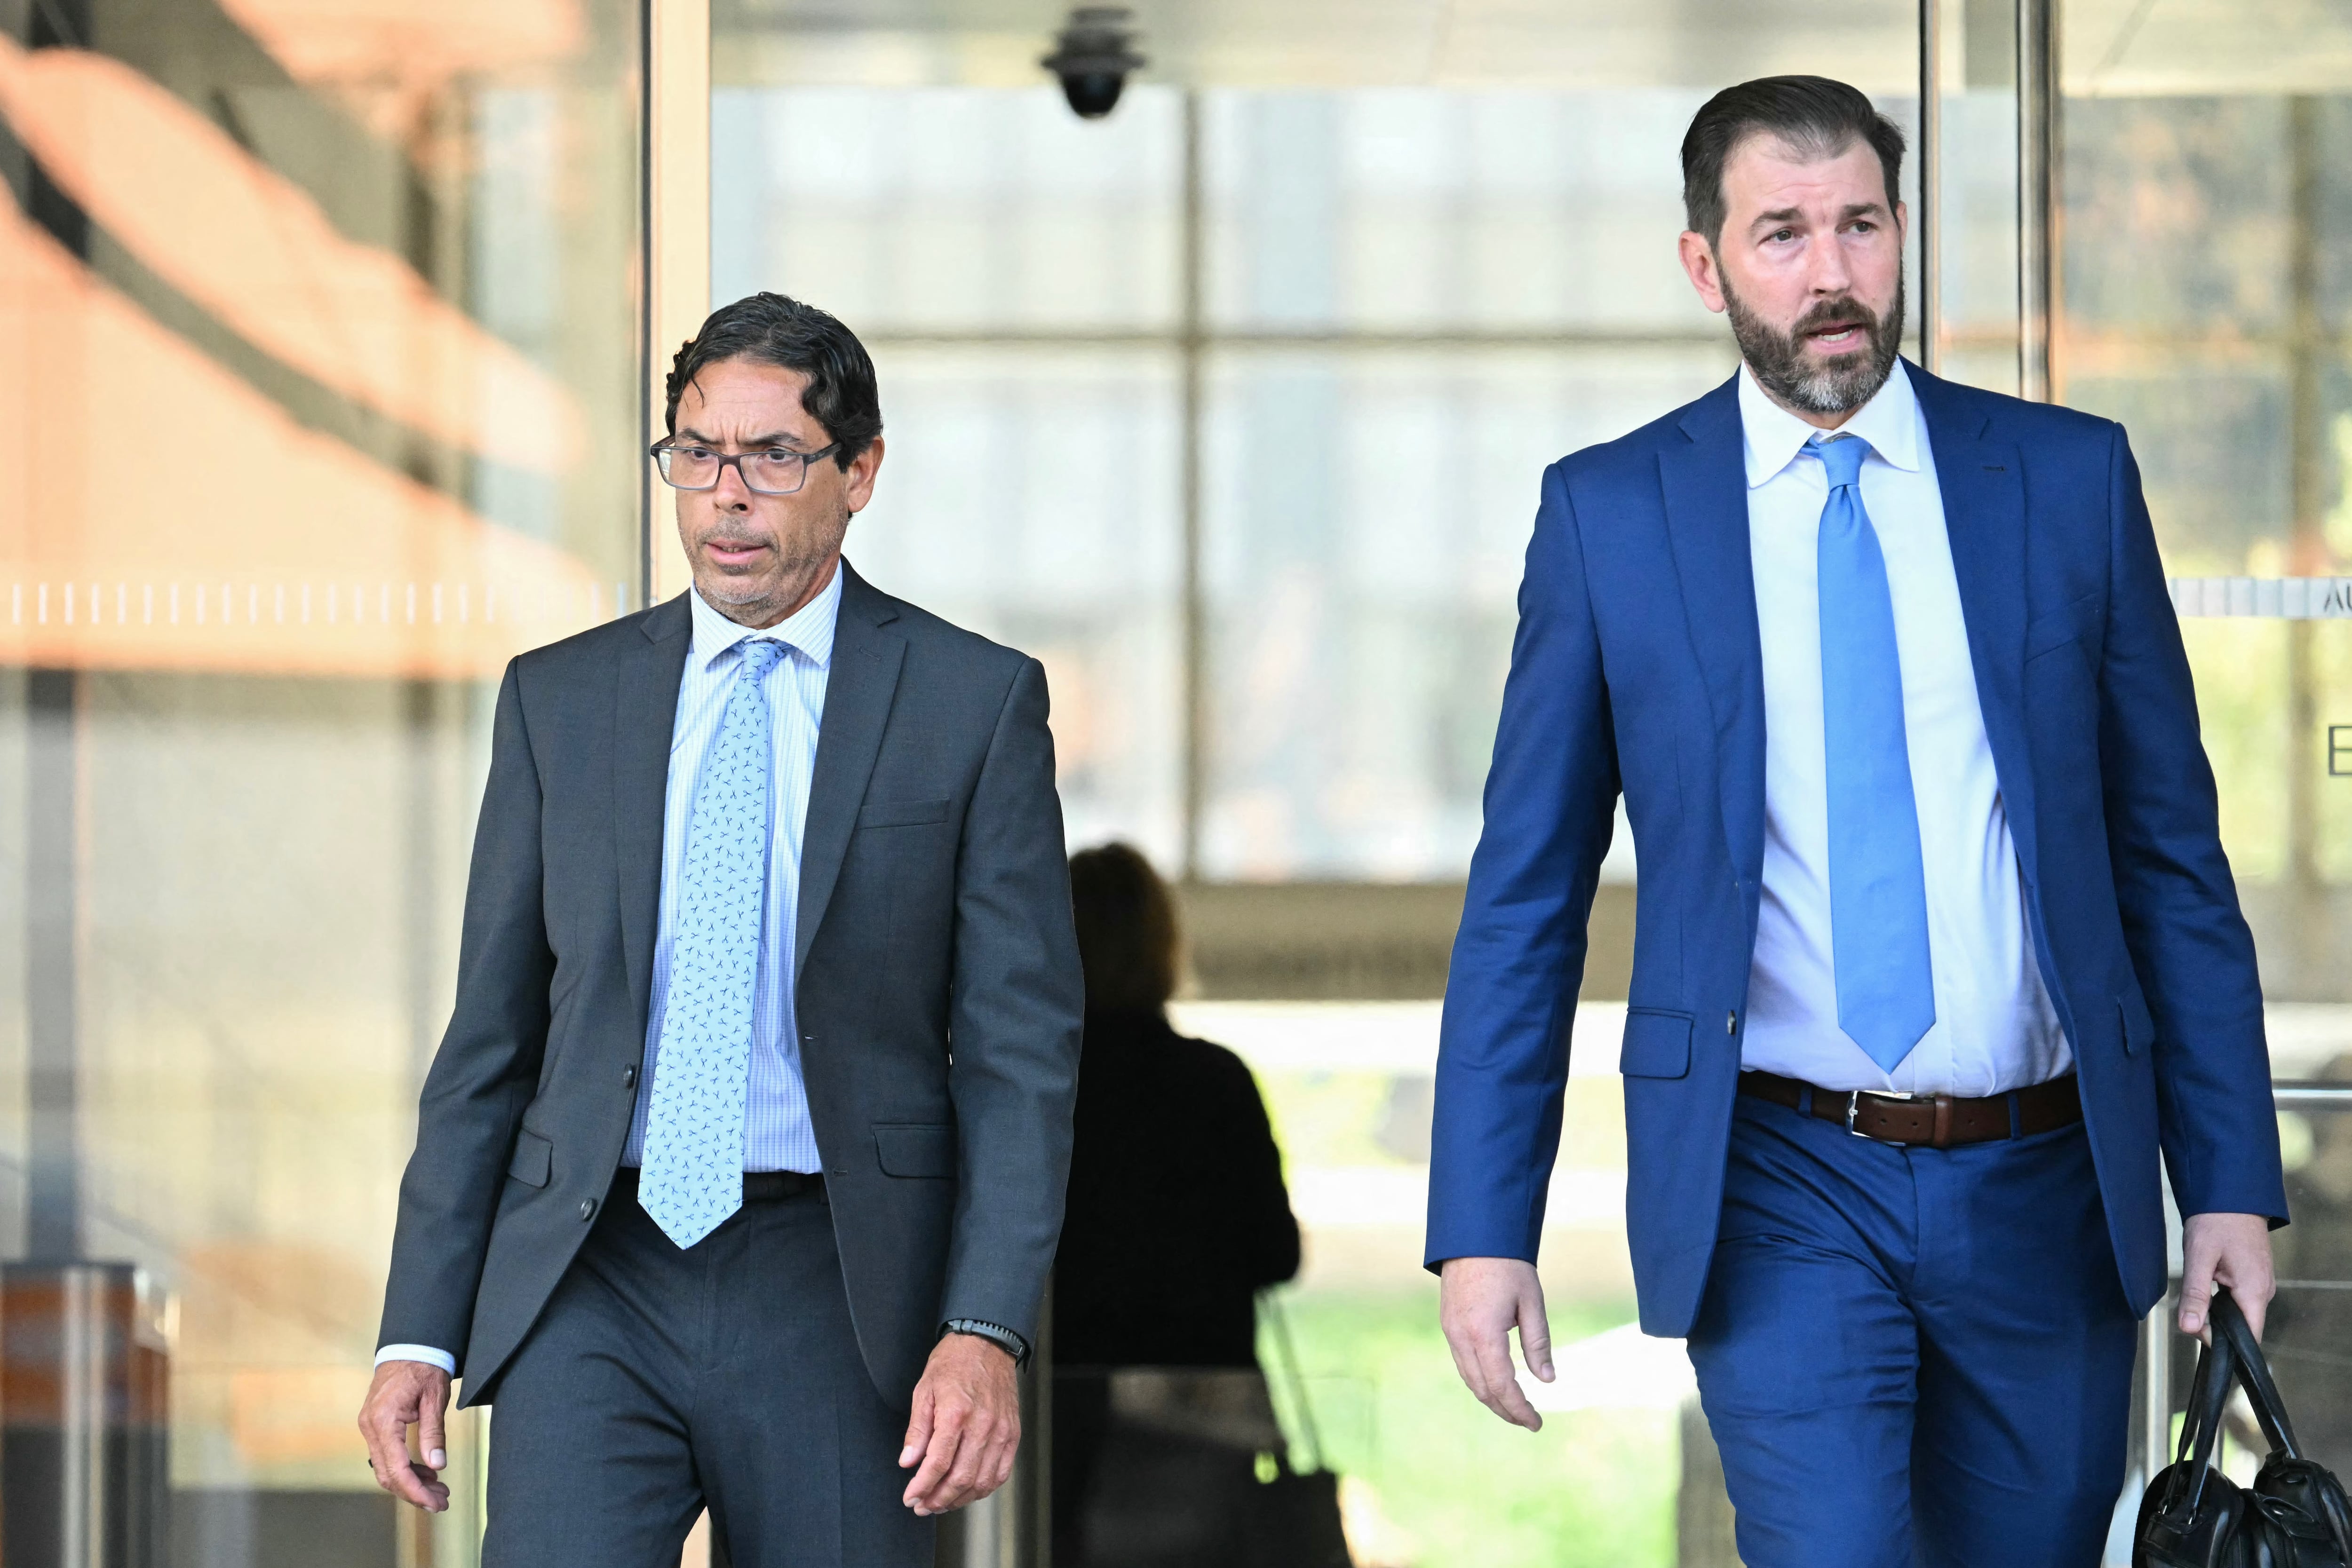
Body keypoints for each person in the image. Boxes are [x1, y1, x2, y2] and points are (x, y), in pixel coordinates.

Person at [1426, 76, 2287, 1568]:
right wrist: (1480, 1218)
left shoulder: (2069, 482)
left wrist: (2227, 1175)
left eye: (1860, 226)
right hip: (1778, 1179)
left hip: (2045, 1175)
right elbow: (1527, 896)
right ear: (1705, 266)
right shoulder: (1612, 516)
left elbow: (2169, 858)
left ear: (1900, 236)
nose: (1831, 275)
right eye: (1782, 235)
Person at [354, 293, 1084, 1568]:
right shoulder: (561, 702)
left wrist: (985, 1325)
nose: (724, 494)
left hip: (838, 1279)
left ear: (858, 472)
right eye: (696, 453)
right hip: (593, 1262)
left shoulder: (972, 705)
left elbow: (1023, 1060)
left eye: (771, 456)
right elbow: (491, 1039)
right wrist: (418, 1324)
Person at [1050, 843, 1301, 1562]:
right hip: (1203, 1410)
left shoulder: (1032, 1095)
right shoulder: (1217, 1082)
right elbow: (1275, 1254)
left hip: (1060, 1417)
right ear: (1162, 941)